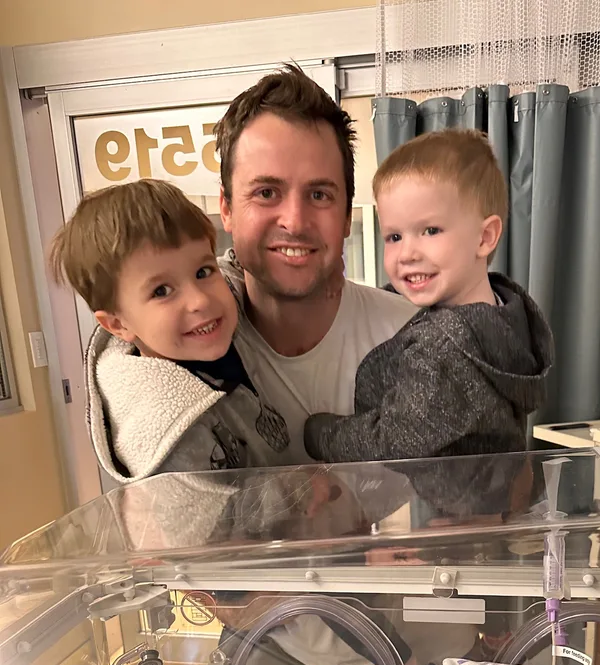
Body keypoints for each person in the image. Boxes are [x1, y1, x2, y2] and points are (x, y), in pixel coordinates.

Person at [304, 128, 553, 465]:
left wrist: (320, 433)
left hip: (447, 510)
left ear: (485, 237)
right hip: (490, 493)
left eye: (430, 231)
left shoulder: (442, 348)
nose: (406, 253)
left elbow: (393, 441)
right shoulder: (507, 311)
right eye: (393, 236)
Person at [214, 64, 414, 465]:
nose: (295, 221)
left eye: (319, 195)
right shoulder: (192, 349)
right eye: (267, 192)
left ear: (345, 216)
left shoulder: (415, 339)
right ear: (227, 209)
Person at [49, 179, 290, 482]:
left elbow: (230, 269)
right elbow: (206, 521)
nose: (200, 300)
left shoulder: (205, 320)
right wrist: (300, 495)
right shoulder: (162, 431)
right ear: (118, 324)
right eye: (162, 291)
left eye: (202, 272)